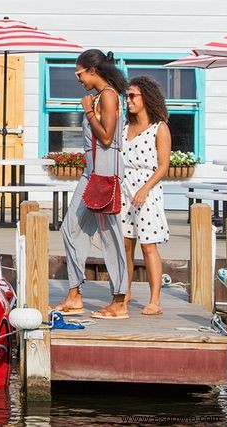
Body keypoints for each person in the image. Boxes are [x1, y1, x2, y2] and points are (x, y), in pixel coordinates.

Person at [52, 49, 130, 320]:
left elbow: (107, 138)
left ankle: (120, 300)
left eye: (79, 74)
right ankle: (74, 295)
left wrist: (88, 112)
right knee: (70, 228)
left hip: (106, 171)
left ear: (92, 71)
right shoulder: (98, 96)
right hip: (92, 172)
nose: (79, 80)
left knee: (110, 235)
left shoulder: (107, 95)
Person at [121, 75, 171, 315]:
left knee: (148, 246)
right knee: (125, 245)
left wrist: (144, 189)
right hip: (123, 187)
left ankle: (155, 300)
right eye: (126, 96)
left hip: (147, 188)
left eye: (132, 96)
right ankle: (126, 292)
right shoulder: (124, 125)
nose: (128, 100)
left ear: (146, 97)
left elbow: (163, 166)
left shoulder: (159, 128)